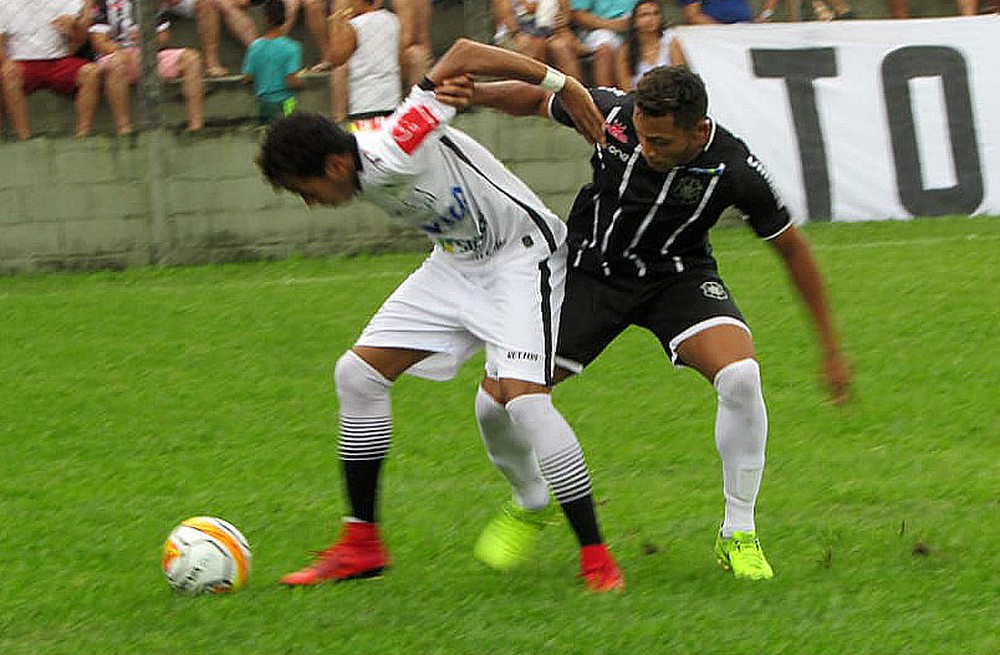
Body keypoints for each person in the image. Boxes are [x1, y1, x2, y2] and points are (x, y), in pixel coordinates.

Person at [446, 65, 852, 580]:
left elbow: (792, 249)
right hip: (588, 275)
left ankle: (739, 533)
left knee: (742, 377)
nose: (646, 149)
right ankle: (531, 500)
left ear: (698, 130)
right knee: (494, 401)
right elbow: (534, 97)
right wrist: (473, 93)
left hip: (676, 279)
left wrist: (831, 349)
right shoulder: (613, 116)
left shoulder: (734, 168)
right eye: (640, 136)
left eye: (660, 142)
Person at [255, 38, 624, 592]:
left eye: (307, 191)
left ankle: (596, 556)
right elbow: (439, 88)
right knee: (357, 374)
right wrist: (440, 93)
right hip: (454, 263)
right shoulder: (358, 146)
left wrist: (563, 84)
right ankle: (362, 544)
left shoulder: (389, 153)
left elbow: (462, 52)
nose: (311, 203)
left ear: (335, 164)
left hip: (521, 257)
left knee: (524, 401)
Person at [89, 0, 206, 134]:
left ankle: (196, 126)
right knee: (117, 63)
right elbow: (98, 42)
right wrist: (123, 53)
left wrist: (147, 38)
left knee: (192, 59)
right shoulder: (103, 3)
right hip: (115, 55)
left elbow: (163, 37)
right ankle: (124, 129)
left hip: (148, 53)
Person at [0, 0, 100, 140]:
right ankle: (24, 136)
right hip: (22, 62)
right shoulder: (5, 4)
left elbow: (79, 38)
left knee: (90, 72)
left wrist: (73, 27)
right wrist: (6, 61)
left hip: (58, 61)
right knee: (7, 73)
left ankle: (83, 134)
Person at [324, 0, 401, 123]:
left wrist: (336, 22)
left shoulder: (354, 26)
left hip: (364, 105)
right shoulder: (394, 20)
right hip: (392, 101)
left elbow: (336, 59)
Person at [241, 0, 305, 123]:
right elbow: (292, 81)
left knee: (268, 133)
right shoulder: (292, 47)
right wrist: (302, 83)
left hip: (265, 102)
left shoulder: (255, 47)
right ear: (285, 17)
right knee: (289, 128)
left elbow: (248, 78)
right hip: (287, 101)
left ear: (265, 18)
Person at [492, 0, 583, 82]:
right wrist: (518, 33)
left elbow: (564, 14)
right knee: (534, 47)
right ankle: (539, 95)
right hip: (514, 34)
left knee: (561, 47)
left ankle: (578, 93)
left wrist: (562, 22)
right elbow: (506, 18)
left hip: (551, 30)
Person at [616, 0, 683, 91]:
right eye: (644, 15)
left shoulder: (671, 40)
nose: (651, 18)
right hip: (638, 100)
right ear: (634, 20)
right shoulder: (625, 50)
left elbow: (680, 78)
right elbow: (625, 87)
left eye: (655, 13)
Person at [570, 0, 636, 87]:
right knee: (605, 49)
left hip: (635, 26)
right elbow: (578, 14)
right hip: (600, 29)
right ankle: (606, 96)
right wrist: (613, 25)